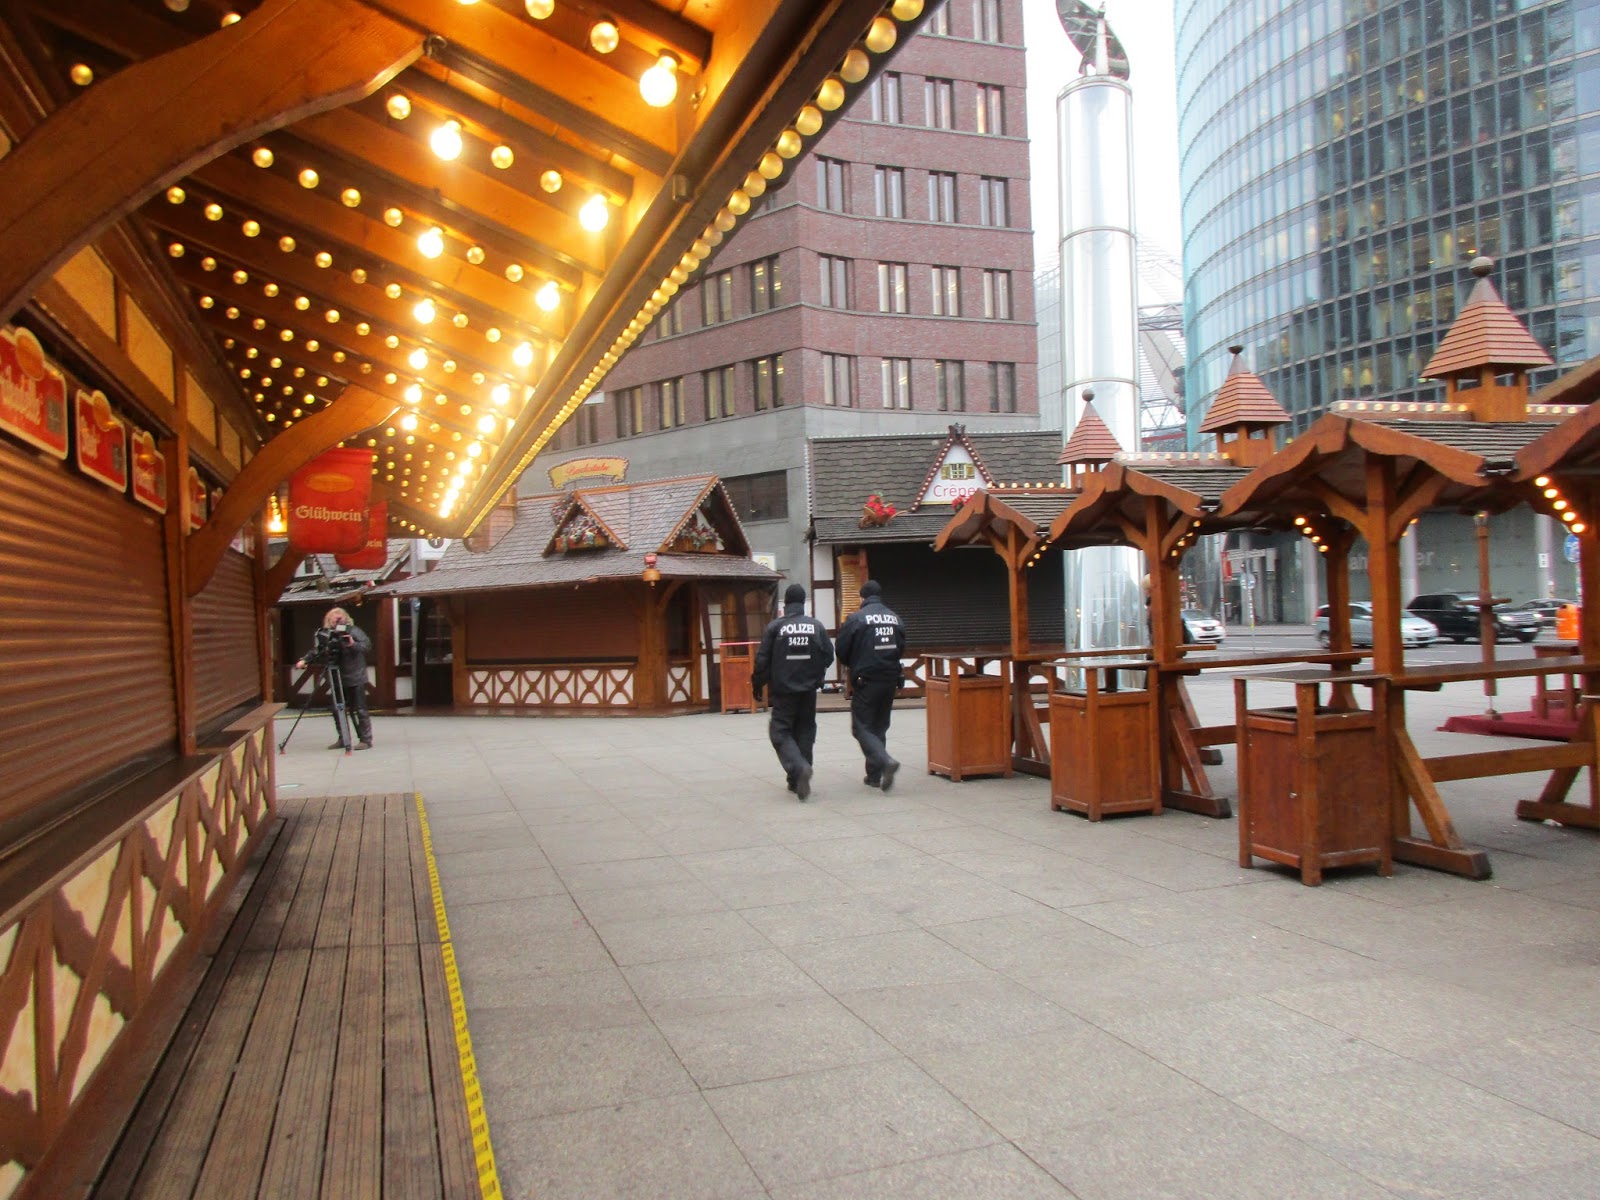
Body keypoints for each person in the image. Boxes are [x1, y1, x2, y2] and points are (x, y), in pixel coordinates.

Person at [751, 583, 833, 800]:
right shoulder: (816, 626)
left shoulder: (775, 627)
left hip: (784, 690)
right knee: (805, 731)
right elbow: (828, 655)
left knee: (780, 732)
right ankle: (797, 779)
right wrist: (817, 675)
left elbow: (762, 660)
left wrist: (757, 684)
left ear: (785, 604)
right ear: (803, 603)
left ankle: (799, 768)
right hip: (808, 691)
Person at [833, 579, 906, 791]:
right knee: (879, 727)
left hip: (867, 681)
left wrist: (854, 664)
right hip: (890, 680)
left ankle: (885, 762)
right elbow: (901, 647)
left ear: (862, 597)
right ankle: (874, 776)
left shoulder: (856, 619)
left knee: (861, 727)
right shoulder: (895, 618)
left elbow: (841, 649)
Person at [295, 606, 374, 750]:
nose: (337, 621)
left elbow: (366, 646)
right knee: (337, 709)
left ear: (346, 618)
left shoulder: (353, 631)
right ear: (329, 620)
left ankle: (365, 739)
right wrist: (305, 659)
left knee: (360, 709)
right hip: (337, 675)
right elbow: (319, 650)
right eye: (334, 619)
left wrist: (353, 644)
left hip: (355, 675)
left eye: (340, 617)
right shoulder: (327, 634)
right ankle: (343, 738)